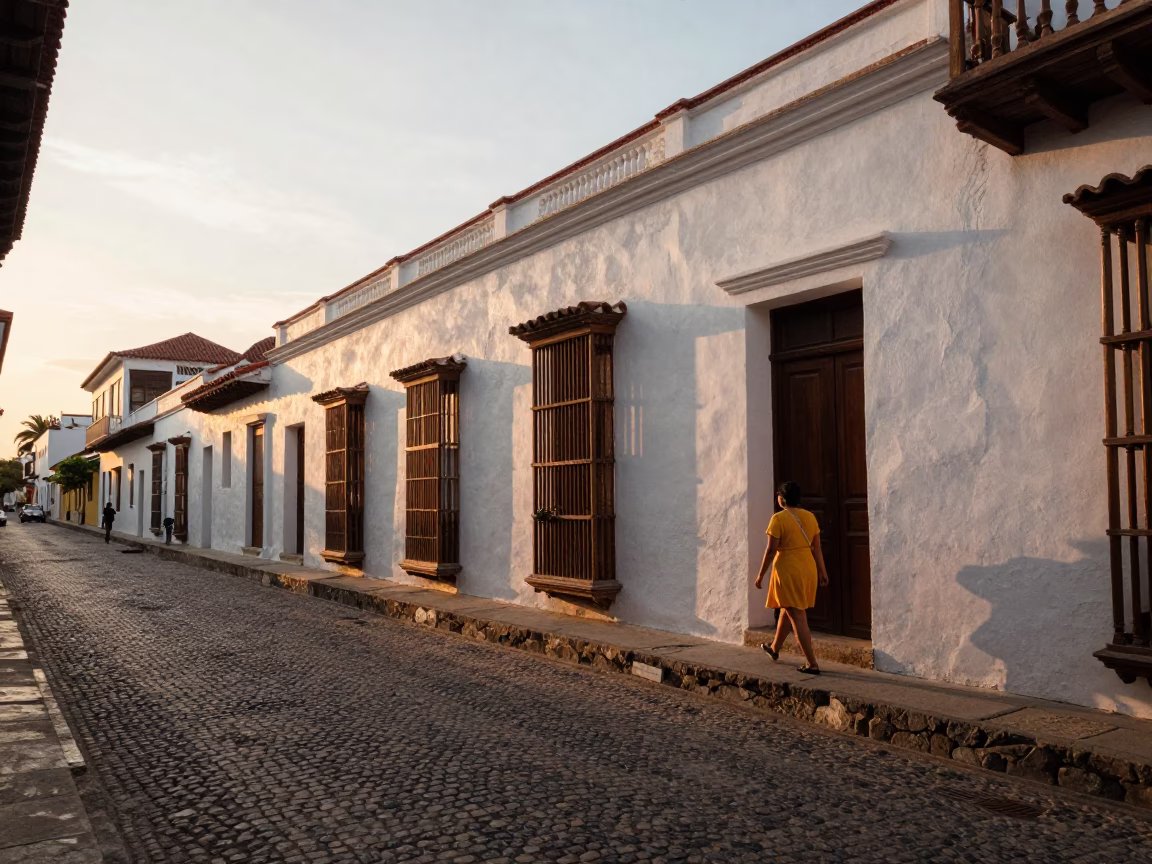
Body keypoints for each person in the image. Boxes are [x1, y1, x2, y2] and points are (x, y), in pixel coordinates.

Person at [754, 481, 829, 674]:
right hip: (807, 566)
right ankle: (774, 648)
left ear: (782, 498)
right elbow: (817, 548)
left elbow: (771, 550)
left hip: (788, 568)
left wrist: (761, 574)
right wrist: (822, 571)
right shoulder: (810, 517)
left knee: (797, 614)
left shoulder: (778, 519)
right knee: (789, 607)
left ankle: (812, 663)